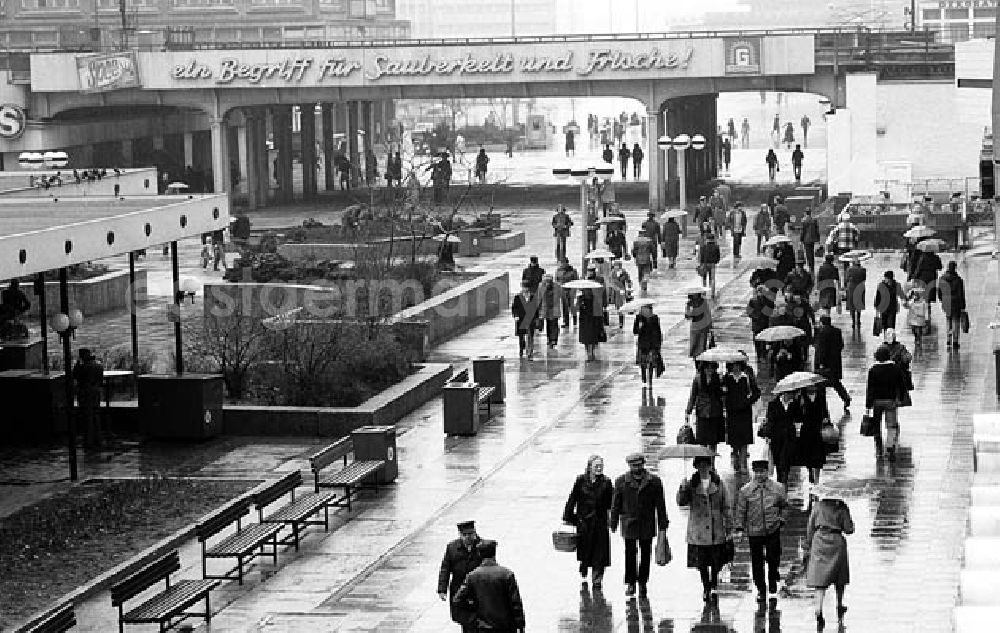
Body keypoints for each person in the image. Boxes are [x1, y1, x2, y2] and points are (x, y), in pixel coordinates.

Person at [610, 453, 669, 598]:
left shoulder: (654, 482)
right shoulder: (621, 482)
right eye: (633, 465)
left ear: (643, 464)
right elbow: (615, 504)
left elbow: (660, 505)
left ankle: (642, 582)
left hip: (647, 523)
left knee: (645, 553)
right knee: (630, 553)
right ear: (629, 466)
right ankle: (630, 582)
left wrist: (663, 523)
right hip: (629, 523)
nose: (637, 468)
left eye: (639, 465)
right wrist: (613, 522)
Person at [677, 455, 733, 602]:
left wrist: (730, 527)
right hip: (698, 530)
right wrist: (682, 490)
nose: (703, 468)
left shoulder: (719, 483)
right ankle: (706, 586)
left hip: (716, 529)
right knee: (701, 562)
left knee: (716, 561)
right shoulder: (690, 484)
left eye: (706, 465)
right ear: (696, 466)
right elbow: (682, 502)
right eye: (700, 465)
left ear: (710, 466)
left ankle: (714, 584)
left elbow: (726, 506)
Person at [734, 458, 788, 603]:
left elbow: (784, 506)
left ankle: (772, 581)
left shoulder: (778, 488)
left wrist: (781, 519)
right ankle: (761, 588)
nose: (759, 475)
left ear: (767, 472)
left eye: (762, 472)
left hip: (773, 529)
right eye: (757, 472)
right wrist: (739, 528)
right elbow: (741, 511)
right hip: (754, 531)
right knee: (757, 562)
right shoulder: (745, 491)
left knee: (773, 557)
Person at [804, 491, 855, 629]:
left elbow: (810, 527)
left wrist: (808, 545)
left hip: (820, 542)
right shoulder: (842, 507)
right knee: (840, 576)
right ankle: (839, 604)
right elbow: (849, 529)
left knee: (820, 579)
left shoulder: (818, 506)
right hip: (837, 543)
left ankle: (818, 609)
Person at [563, 455, 614, 588]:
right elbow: (572, 499)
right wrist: (568, 517)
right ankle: (584, 565)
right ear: (590, 467)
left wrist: (612, 519)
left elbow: (612, 503)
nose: (599, 468)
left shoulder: (606, 483)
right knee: (586, 550)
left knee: (600, 553)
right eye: (596, 466)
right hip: (584, 523)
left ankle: (597, 579)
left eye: (601, 466)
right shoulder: (580, 481)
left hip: (600, 523)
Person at [453, 540, 525, 633]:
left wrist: (473, 620)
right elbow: (516, 603)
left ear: (479, 554)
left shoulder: (472, 576)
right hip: (506, 627)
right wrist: (520, 625)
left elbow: (457, 600)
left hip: (483, 627)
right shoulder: (507, 574)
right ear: (494, 554)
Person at [439, 520, 484, 632]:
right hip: (459, 590)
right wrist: (442, 589)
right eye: (465, 535)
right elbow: (445, 568)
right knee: (465, 621)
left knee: (479, 620)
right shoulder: (452, 547)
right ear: (460, 535)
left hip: (477, 590)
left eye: (471, 534)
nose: (468, 537)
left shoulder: (483, 546)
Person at [865, 345, 906, 460]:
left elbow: (870, 389)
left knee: (876, 425)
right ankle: (890, 445)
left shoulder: (873, 370)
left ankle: (879, 447)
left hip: (877, 402)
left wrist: (868, 405)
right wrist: (901, 398)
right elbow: (901, 385)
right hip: (890, 401)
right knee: (891, 425)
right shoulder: (895, 368)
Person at [722, 360, 760, 472]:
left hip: (744, 413)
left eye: (738, 366)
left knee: (744, 440)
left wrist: (747, 401)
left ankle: (743, 464)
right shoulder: (727, 378)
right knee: (734, 439)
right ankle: (736, 460)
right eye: (734, 366)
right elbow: (723, 393)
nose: (736, 368)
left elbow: (756, 392)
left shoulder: (746, 377)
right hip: (732, 413)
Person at [759, 390, 799, 486]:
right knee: (778, 462)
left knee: (786, 462)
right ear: (785, 393)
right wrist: (768, 435)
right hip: (776, 437)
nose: (792, 396)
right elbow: (770, 420)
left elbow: (798, 418)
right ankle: (781, 482)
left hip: (789, 437)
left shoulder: (795, 404)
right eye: (791, 394)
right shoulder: (773, 404)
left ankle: (783, 483)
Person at [813, 315, 851, 410]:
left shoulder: (822, 333)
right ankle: (846, 398)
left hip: (825, 364)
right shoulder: (837, 331)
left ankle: (821, 405)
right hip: (835, 362)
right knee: (835, 382)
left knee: (820, 384)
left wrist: (821, 362)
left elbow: (822, 349)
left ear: (822, 322)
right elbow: (841, 345)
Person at [686, 362, 726, 451]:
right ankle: (703, 461)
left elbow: (723, 395)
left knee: (713, 441)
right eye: (707, 368)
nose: (709, 370)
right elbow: (693, 395)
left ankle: (712, 462)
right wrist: (688, 410)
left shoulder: (719, 379)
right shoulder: (698, 378)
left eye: (711, 368)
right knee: (702, 440)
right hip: (702, 412)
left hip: (715, 412)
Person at [797, 385, 831, 488]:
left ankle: (817, 478)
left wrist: (826, 419)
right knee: (807, 454)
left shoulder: (820, 396)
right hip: (806, 430)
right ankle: (810, 471)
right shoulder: (801, 398)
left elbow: (825, 411)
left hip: (818, 430)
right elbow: (797, 416)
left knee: (818, 456)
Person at [73, 348, 105, 448]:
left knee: (87, 417)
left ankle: (88, 440)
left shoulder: (84, 367)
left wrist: (77, 364)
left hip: (85, 393)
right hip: (96, 392)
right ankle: (98, 439)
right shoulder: (99, 365)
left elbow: (75, 375)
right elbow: (100, 380)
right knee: (96, 415)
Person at [577, 270, 605, 361]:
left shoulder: (595, 293)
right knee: (588, 337)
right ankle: (590, 352)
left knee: (591, 337)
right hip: (586, 318)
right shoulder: (582, 296)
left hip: (591, 317)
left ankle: (590, 352)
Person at [634, 304, 662, 387]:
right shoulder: (639, 318)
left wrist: (659, 343)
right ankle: (644, 377)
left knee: (651, 362)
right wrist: (639, 327)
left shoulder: (655, 318)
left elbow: (658, 330)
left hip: (652, 342)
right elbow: (635, 331)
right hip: (643, 343)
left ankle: (650, 378)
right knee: (643, 362)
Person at [939, 261, 965, 347]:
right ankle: (955, 340)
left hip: (946, 302)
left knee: (948, 319)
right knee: (955, 320)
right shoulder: (958, 280)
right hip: (956, 303)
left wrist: (942, 300)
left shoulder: (942, 279)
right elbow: (961, 294)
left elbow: (939, 292)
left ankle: (948, 339)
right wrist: (963, 306)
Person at [747, 285, 774, 365]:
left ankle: (764, 355)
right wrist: (756, 316)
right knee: (757, 341)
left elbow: (771, 310)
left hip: (765, 323)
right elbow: (749, 312)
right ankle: (759, 356)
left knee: (764, 341)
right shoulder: (753, 301)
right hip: (757, 324)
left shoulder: (768, 301)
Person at [685, 290, 713, 358]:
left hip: (704, 326)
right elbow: (687, 316)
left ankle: (701, 358)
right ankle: (695, 358)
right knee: (694, 344)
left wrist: (710, 325)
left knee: (701, 345)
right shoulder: (689, 304)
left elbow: (708, 313)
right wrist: (689, 311)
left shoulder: (704, 302)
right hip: (695, 327)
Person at [537, 273, 561, 349]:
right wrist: (538, 310)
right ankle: (549, 339)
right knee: (548, 324)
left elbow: (561, 296)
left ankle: (554, 339)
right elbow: (539, 299)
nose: (547, 283)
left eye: (549, 281)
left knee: (554, 324)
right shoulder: (541, 286)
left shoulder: (557, 286)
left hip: (554, 308)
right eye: (546, 281)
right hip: (546, 309)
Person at [696, 226, 721, 297]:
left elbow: (701, 256)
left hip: (705, 264)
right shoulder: (716, 247)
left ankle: (704, 292)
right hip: (712, 264)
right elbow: (718, 256)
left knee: (704, 279)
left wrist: (701, 263)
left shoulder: (703, 247)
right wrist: (716, 261)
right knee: (712, 278)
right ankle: (712, 292)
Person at [555, 257, 578, 329]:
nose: (561, 264)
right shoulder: (558, 271)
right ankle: (566, 321)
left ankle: (574, 320)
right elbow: (557, 280)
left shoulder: (573, 271)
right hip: (562, 290)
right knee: (564, 306)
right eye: (560, 263)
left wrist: (573, 289)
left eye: (563, 262)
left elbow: (576, 280)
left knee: (571, 306)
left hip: (571, 290)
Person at [845, 258, 867, 331]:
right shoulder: (863, 270)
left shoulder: (849, 270)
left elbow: (846, 279)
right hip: (860, 287)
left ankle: (853, 321)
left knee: (852, 305)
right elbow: (864, 279)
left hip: (851, 288)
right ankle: (858, 320)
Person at [608, 260, 632, 328]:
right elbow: (610, 283)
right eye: (615, 265)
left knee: (620, 307)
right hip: (614, 292)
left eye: (618, 265)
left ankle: (621, 322)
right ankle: (619, 319)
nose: (616, 267)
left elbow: (628, 281)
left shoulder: (624, 272)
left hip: (621, 292)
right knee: (616, 307)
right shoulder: (612, 273)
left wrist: (629, 290)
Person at [799, 206, 820, 271]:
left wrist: (801, 239)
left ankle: (810, 267)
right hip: (813, 239)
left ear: (805, 213)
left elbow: (803, 231)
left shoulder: (804, 220)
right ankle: (812, 266)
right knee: (812, 253)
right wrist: (818, 239)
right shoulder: (814, 220)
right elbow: (817, 230)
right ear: (810, 213)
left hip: (806, 239)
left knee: (808, 253)